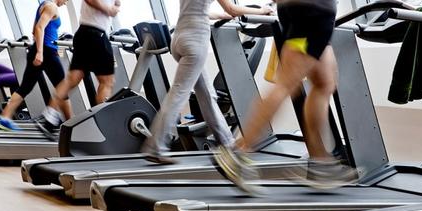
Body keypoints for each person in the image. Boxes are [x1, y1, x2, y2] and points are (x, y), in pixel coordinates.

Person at [213, 0, 359, 195]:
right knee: (287, 84)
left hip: (308, 13)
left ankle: (319, 162)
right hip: (312, 12)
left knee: (325, 82)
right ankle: (238, 153)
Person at [140, 0, 273, 163]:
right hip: (195, 39)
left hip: (179, 38)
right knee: (178, 94)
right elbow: (232, 8)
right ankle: (155, 147)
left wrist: (224, 15)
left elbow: (203, 10)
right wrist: (262, 10)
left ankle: (228, 144)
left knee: (208, 95)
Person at [36, 0, 120, 140]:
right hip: (96, 34)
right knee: (107, 82)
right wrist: (108, 9)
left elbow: (116, 5)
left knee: (72, 79)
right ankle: (102, 126)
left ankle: (49, 116)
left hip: (83, 34)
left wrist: (114, 7)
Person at [0, 0, 71, 131]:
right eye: (66, 0)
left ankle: (5, 117)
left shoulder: (43, 4)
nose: (66, 3)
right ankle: (71, 124)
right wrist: (41, 52)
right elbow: (39, 28)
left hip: (41, 50)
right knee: (63, 86)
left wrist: (38, 49)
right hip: (47, 51)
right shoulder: (51, 7)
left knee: (25, 87)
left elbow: (34, 29)